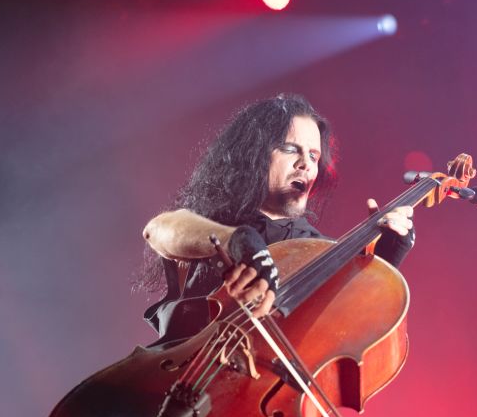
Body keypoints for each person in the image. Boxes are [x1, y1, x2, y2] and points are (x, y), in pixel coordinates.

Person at [139, 94, 415, 343]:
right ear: (255, 153)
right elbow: (158, 229)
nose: (306, 164)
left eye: (314, 155)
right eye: (291, 149)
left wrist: (381, 267)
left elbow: (348, 336)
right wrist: (238, 242)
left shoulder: (318, 252)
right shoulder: (215, 222)